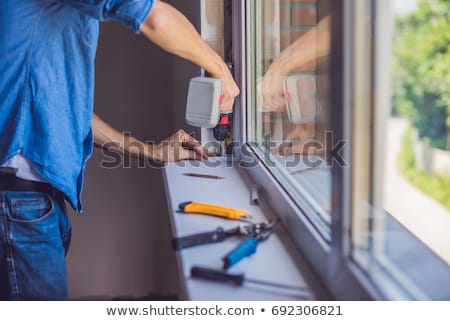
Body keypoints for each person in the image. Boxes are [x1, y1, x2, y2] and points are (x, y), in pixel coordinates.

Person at [0, 0, 239, 300]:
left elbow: (70, 110)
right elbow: (153, 18)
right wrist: (220, 69)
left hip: (34, 201)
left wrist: (151, 150)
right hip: (18, 201)